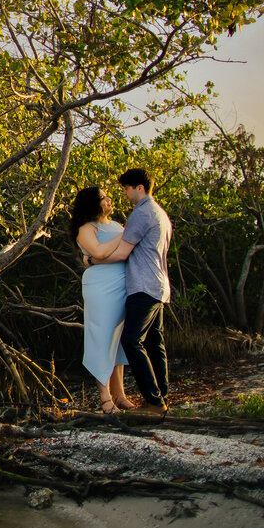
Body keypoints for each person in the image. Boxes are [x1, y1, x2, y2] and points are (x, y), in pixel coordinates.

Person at [86, 168, 172, 415]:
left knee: (131, 340)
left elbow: (123, 252)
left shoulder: (141, 214)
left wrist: (93, 261)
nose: (124, 193)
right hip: (159, 285)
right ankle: (161, 396)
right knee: (155, 342)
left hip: (143, 286)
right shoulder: (161, 214)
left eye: (126, 188)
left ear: (139, 188)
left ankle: (154, 402)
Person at [68, 186, 132, 413]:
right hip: (101, 286)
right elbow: (99, 252)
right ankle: (105, 398)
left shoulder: (117, 226)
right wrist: (125, 236)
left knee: (119, 338)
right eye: (104, 198)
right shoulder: (86, 228)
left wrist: (97, 258)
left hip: (123, 284)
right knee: (102, 337)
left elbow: (122, 253)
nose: (109, 200)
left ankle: (120, 395)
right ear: (92, 203)